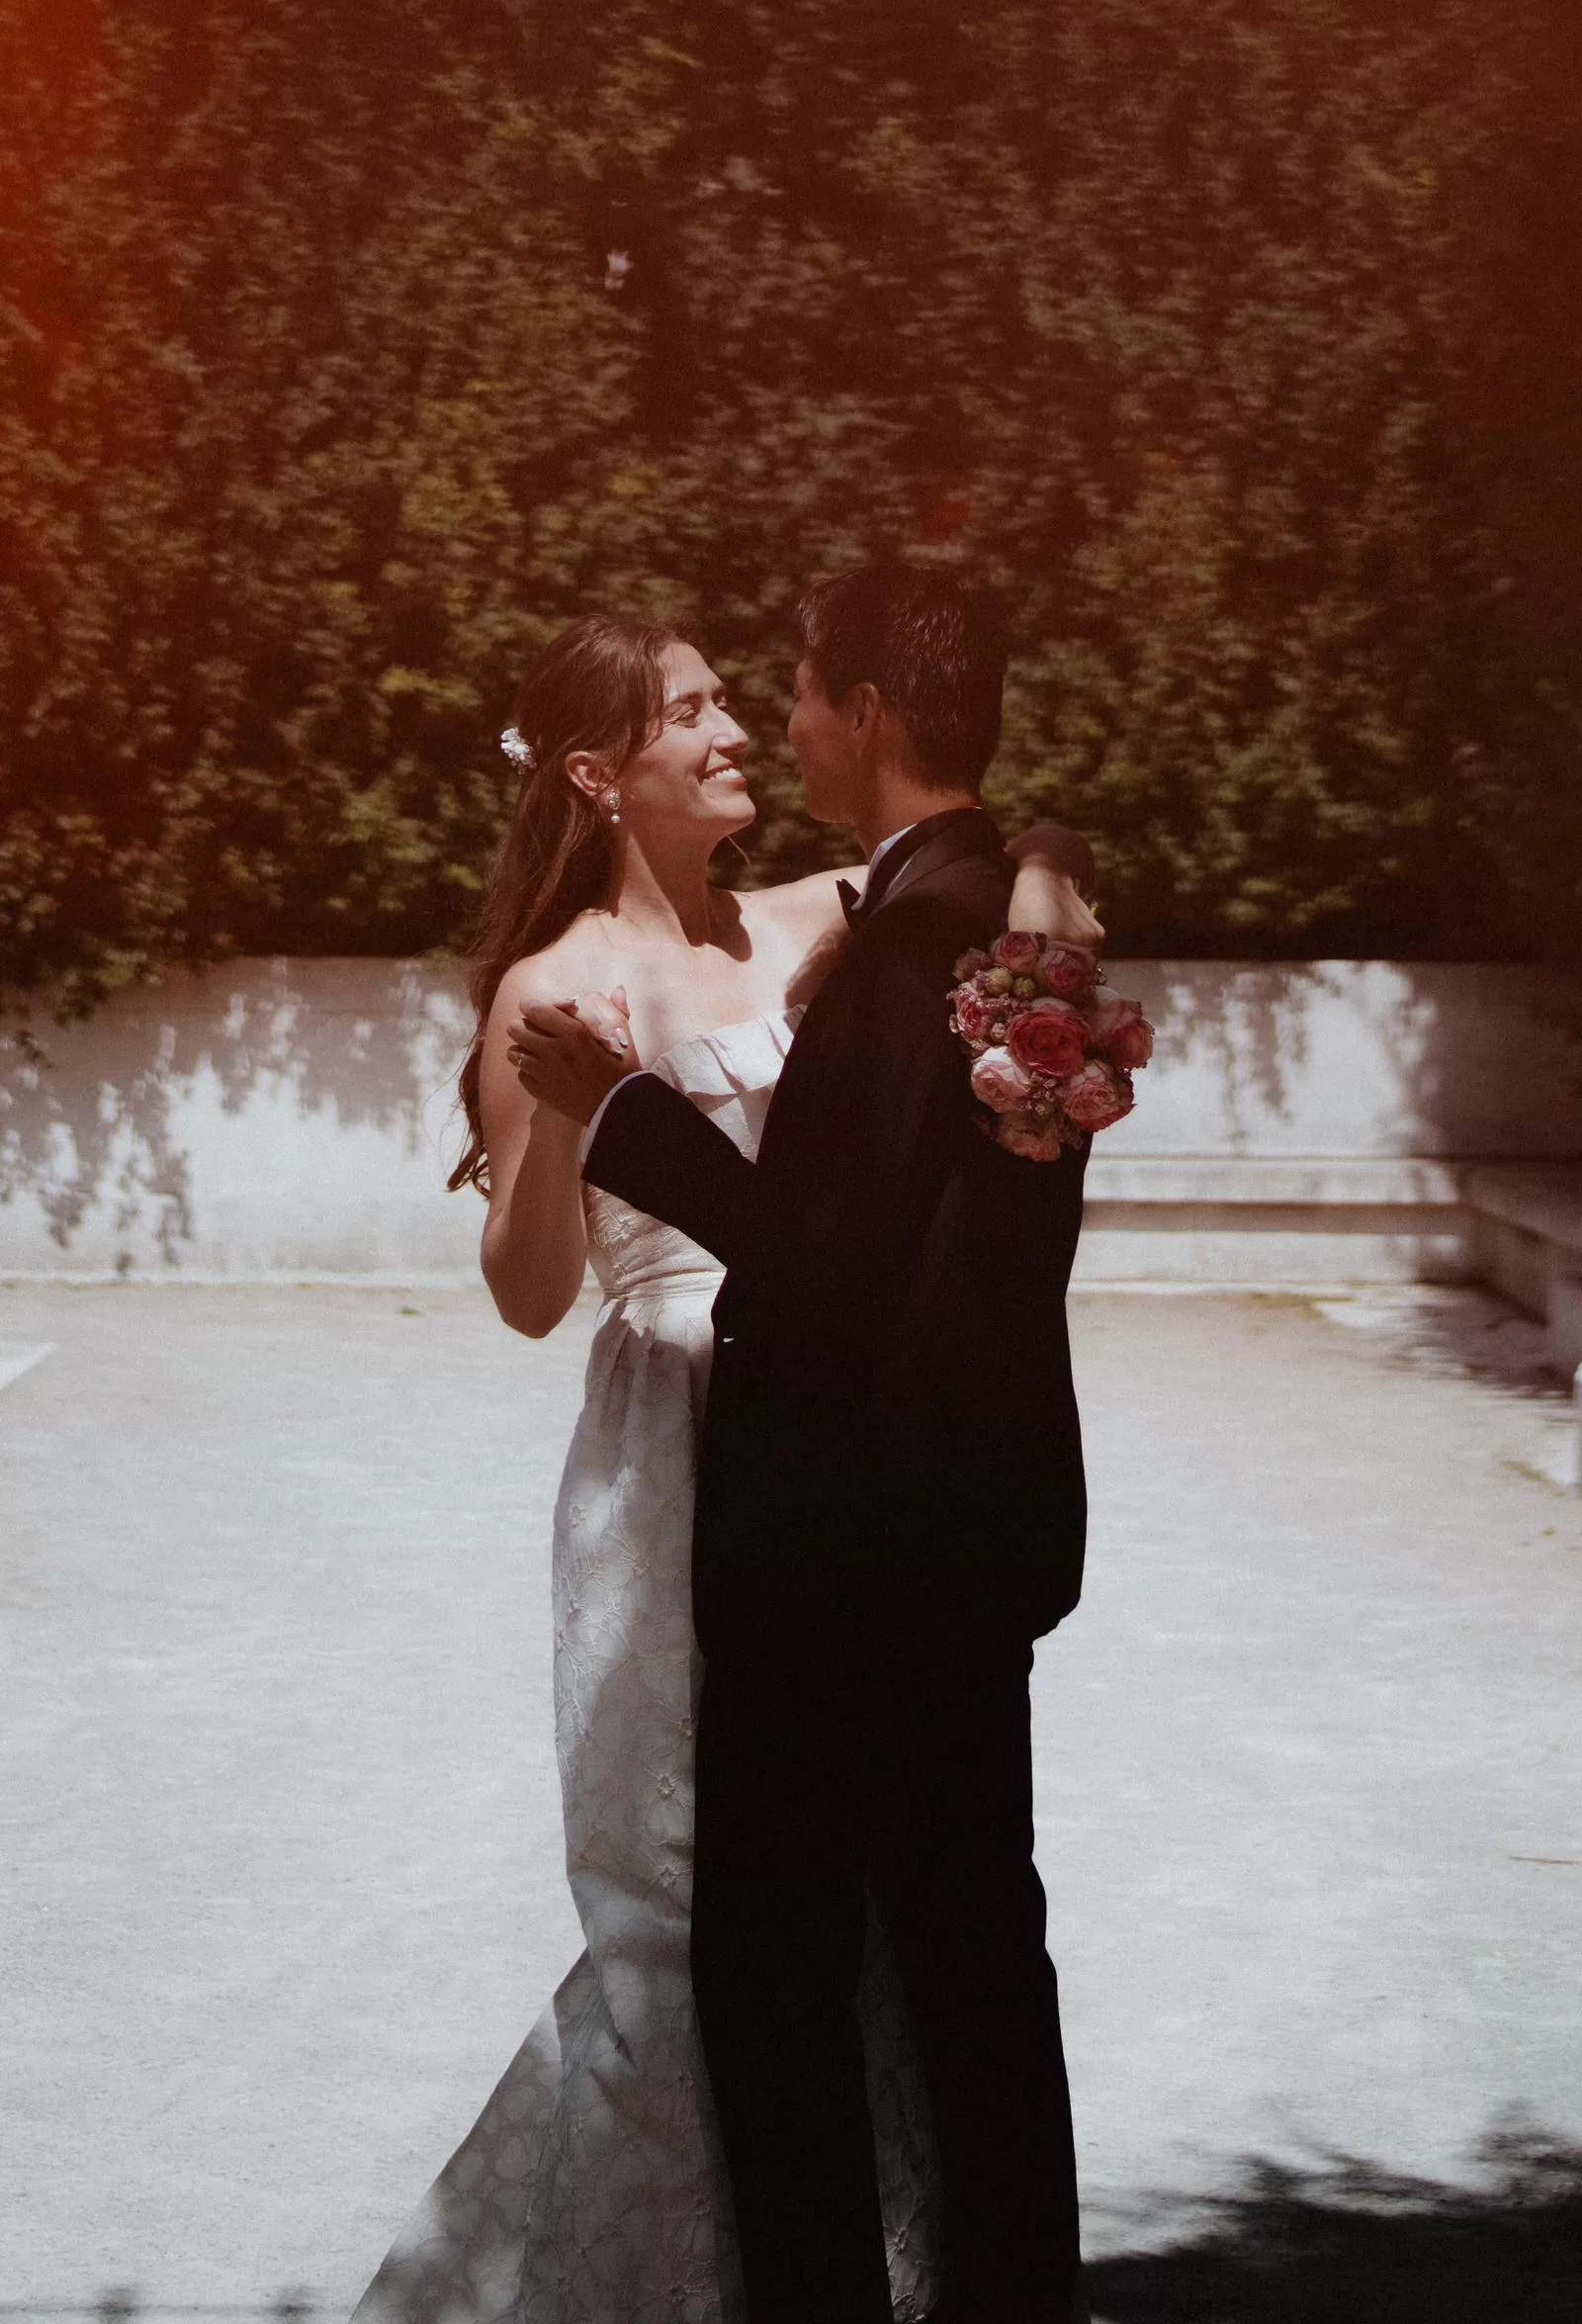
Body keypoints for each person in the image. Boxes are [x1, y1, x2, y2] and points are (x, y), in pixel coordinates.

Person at [350, 601, 1099, 2324]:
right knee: (693, 1909)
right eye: (693, 708)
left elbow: (969, 852)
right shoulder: (550, 992)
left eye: (740, 699)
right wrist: (554, 1129)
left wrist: (1050, 857)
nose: (737, 728)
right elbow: (530, 1296)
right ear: (604, 775)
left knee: (850, 1928)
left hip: (833, 1439)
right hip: (674, 1449)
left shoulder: (819, 923)